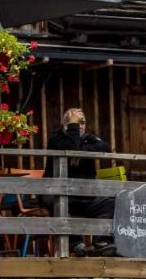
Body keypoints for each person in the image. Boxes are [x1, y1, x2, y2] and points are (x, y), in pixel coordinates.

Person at [43, 108, 115, 256]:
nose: (80, 126)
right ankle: (76, 244)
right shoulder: (55, 139)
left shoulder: (88, 138)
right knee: (60, 203)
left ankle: (100, 243)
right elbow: (71, 146)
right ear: (66, 124)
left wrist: (80, 152)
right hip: (59, 194)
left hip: (85, 196)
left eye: (82, 123)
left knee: (110, 204)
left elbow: (106, 147)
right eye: (75, 123)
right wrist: (74, 141)